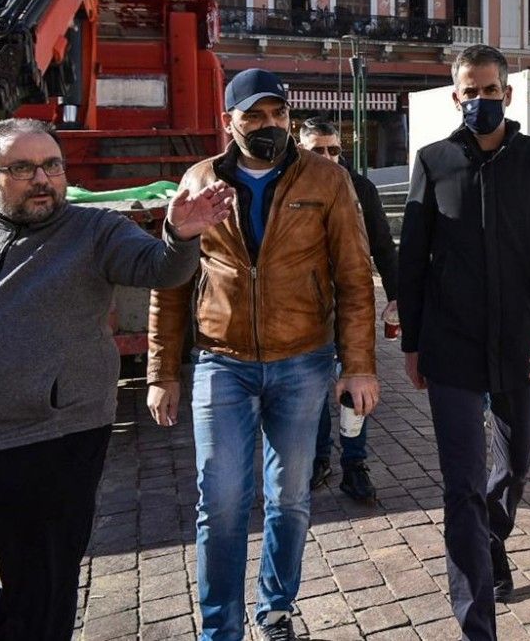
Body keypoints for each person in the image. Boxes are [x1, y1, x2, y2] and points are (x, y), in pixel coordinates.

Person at [0, 117, 232, 641]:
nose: (42, 179)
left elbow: (162, 270)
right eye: (22, 168)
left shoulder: (93, 230)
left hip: (44, 442)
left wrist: (179, 235)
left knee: (41, 602)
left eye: (52, 166)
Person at [146, 69, 378, 641]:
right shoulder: (199, 180)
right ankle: (219, 629)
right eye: (254, 115)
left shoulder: (325, 178)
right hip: (220, 362)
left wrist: (359, 364)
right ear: (230, 121)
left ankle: (275, 610)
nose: (269, 125)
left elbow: (353, 275)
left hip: (303, 359)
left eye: (278, 114)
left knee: (290, 497)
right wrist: (160, 370)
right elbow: (170, 278)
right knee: (221, 501)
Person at [398, 44, 530, 641]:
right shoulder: (432, 161)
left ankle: (490, 540)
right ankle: (477, 623)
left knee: (517, 464)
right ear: (456, 96)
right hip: (450, 347)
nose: (480, 100)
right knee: (461, 486)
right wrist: (412, 344)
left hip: (521, 346)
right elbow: (414, 259)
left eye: (490, 90)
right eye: (469, 92)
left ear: (508, 92)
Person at [299, 117, 398, 505]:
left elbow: (383, 245)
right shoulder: (288, 185)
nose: (328, 158)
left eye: (334, 150)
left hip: (351, 305)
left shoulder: (360, 186)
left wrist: (396, 295)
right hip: (304, 309)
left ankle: (355, 466)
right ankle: (318, 459)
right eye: (317, 150)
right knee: (312, 390)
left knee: (354, 387)